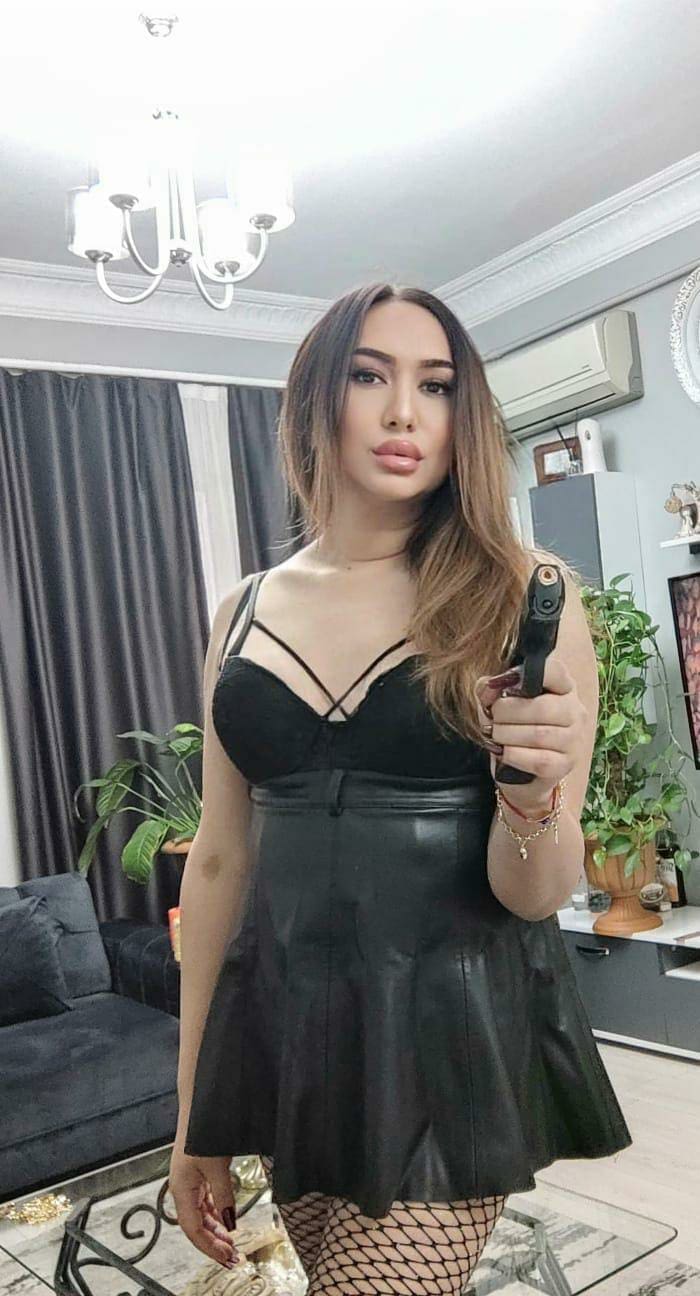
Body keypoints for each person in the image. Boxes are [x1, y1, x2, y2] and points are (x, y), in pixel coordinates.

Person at [168, 283, 632, 1294]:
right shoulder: (240, 611)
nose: (402, 412)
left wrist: (531, 793)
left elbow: (534, 894)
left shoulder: (519, 593)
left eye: (436, 385)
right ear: (314, 400)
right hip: (293, 1035)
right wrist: (194, 1110)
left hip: (448, 1035)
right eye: (369, 376)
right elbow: (220, 861)